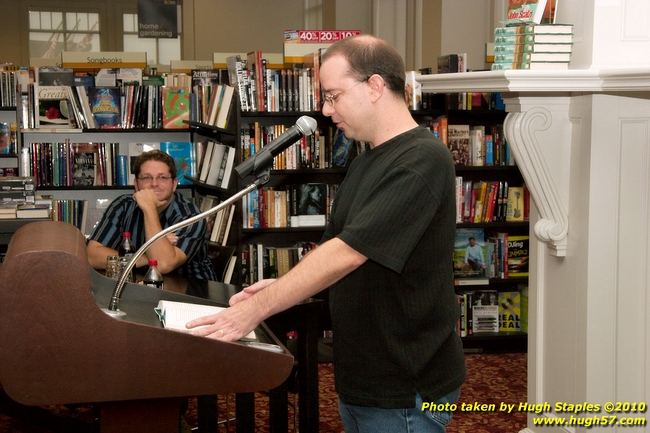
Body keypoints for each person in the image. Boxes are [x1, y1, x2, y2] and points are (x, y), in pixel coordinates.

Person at [186, 34, 466, 432]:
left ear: (374, 86)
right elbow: (343, 250)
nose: (325, 109)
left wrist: (254, 310)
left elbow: (348, 253)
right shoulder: (367, 156)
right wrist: (281, 287)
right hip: (365, 374)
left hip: (404, 381)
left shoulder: (421, 159)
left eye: (333, 96)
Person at [87, 149, 216, 281]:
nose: (154, 184)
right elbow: (92, 256)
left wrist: (149, 208)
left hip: (191, 293)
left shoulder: (191, 217)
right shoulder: (123, 206)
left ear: (174, 184)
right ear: (136, 184)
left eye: (162, 177)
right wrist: (145, 255)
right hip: (141, 288)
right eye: (147, 177)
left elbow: (162, 265)